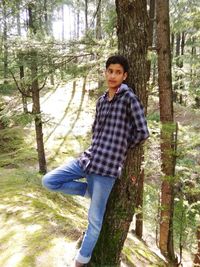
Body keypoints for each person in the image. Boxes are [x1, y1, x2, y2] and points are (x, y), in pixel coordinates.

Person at [42, 55, 149, 266]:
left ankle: (81, 260)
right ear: (105, 72)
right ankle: (89, 191)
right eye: (110, 71)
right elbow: (96, 129)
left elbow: (142, 131)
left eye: (118, 72)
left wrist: (121, 145)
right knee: (49, 181)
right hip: (89, 159)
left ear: (124, 76)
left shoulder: (129, 98)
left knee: (95, 221)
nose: (113, 75)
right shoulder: (101, 100)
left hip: (107, 168)